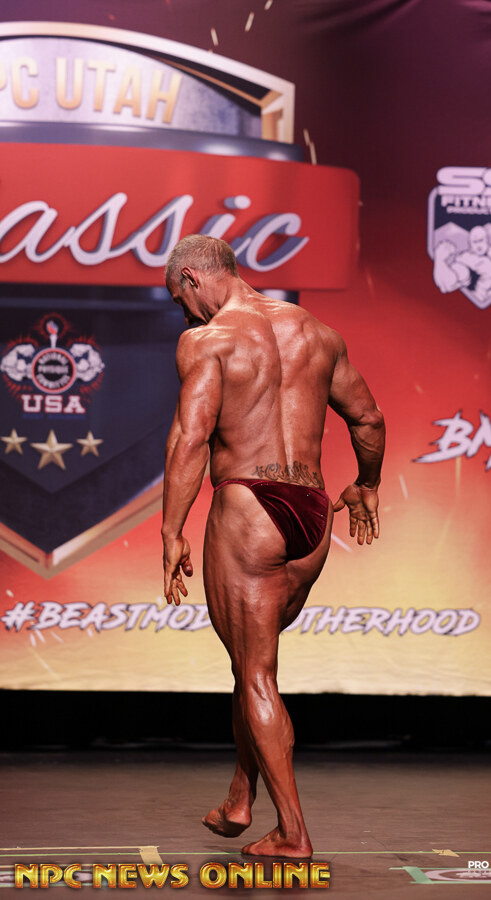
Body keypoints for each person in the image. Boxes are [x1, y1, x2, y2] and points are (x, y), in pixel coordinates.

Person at [161, 235, 385, 858]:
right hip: (312, 514)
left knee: (256, 672)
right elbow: (368, 418)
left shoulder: (208, 340)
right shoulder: (317, 333)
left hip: (251, 509)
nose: (184, 313)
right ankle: (240, 795)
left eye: (179, 299)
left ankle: (292, 832)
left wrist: (172, 530)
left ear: (192, 278)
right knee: (251, 661)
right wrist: (367, 484)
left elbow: (190, 438)